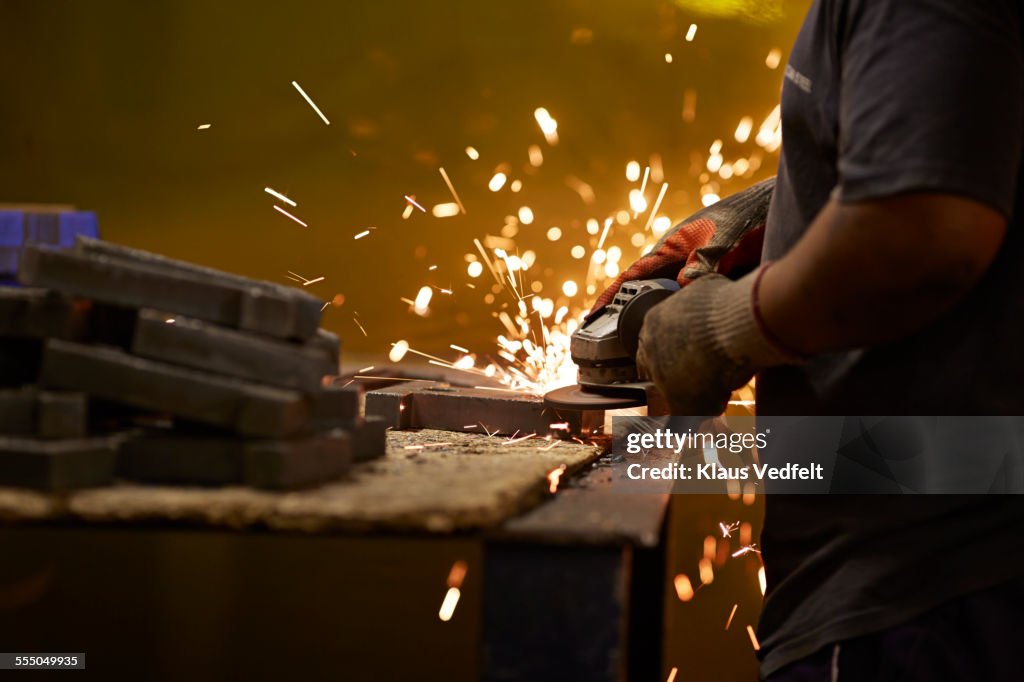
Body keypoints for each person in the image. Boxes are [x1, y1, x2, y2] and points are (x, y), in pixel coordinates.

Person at [617, 0, 1024, 678]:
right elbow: (972, 138)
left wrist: (723, 329)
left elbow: (923, 232)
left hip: (928, 597)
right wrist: (792, 201)